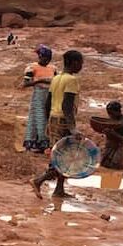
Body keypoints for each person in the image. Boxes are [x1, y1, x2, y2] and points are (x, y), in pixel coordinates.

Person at [30, 50, 84, 199]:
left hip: (54, 119)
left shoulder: (56, 78)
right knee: (63, 159)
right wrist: (72, 128)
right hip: (63, 122)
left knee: (59, 155)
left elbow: (48, 103)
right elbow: (67, 106)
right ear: (74, 63)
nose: (81, 66)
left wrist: (48, 121)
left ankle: (59, 189)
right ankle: (38, 181)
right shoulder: (71, 80)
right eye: (81, 63)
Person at [22, 45, 57, 153]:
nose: (46, 61)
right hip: (38, 95)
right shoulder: (32, 68)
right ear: (40, 57)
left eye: (48, 59)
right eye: (44, 58)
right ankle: (41, 143)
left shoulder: (53, 68)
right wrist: (39, 81)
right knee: (39, 118)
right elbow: (26, 83)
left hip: (50, 96)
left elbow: (56, 81)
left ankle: (37, 143)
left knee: (46, 118)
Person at [99, 101, 123, 171]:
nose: (109, 115)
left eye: (111, 113)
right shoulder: (110, 120)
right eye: (108, 113)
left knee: (116, 171)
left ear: (118, 111)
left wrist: (115, 135)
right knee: (104, 171)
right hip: (108, 148)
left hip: (118, 149)